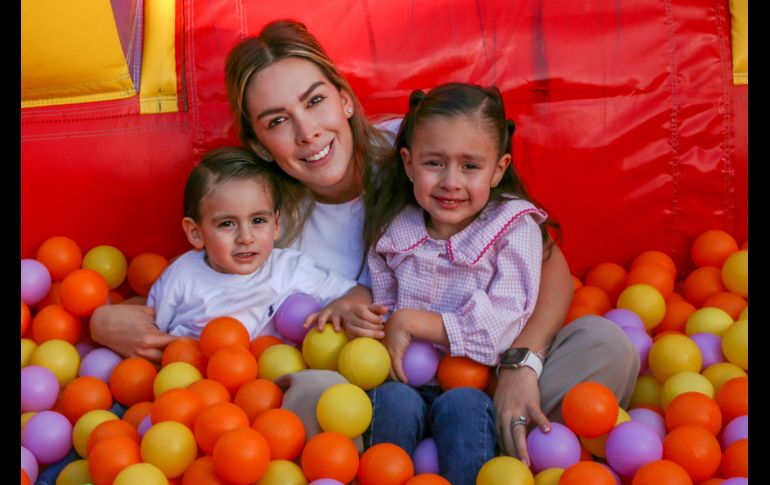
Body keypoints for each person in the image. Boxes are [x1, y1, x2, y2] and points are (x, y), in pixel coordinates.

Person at [89, 18, 637, 466]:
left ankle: (490, 432)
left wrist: (523, 367)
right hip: (382, 393)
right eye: (279, 121)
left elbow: (546, 262)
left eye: (315, 101)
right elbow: (211, 294)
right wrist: (109, 318)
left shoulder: (424, 152)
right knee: (308, 390)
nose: (308, 133)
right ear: (258, 144)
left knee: (604, 342)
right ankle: (453, 456)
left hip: (492, 365)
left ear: (345, 100)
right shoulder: (268, 220)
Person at [349, 82, 550, 483]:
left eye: (470, 166)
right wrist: (370, 324)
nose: (451, 181)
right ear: (408, 164)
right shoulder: (394, 228)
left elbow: (505, 322)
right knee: (392, 401)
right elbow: (385, 310)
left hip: (476, 383)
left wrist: (412, 323)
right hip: (405, 379)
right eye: (434, 163)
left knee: (462, 408)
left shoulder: (512, 227)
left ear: (499, 169)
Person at [147, 145, 361, 339]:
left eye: (258, 220)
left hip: (278, 377)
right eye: (227, 224)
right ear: (196, 233)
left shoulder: (288, 269)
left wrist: (343, 306)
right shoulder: (181, 277)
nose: (246, 238)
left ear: (276, 225)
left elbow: (360, 292)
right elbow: (148, 329)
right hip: (199, 377)